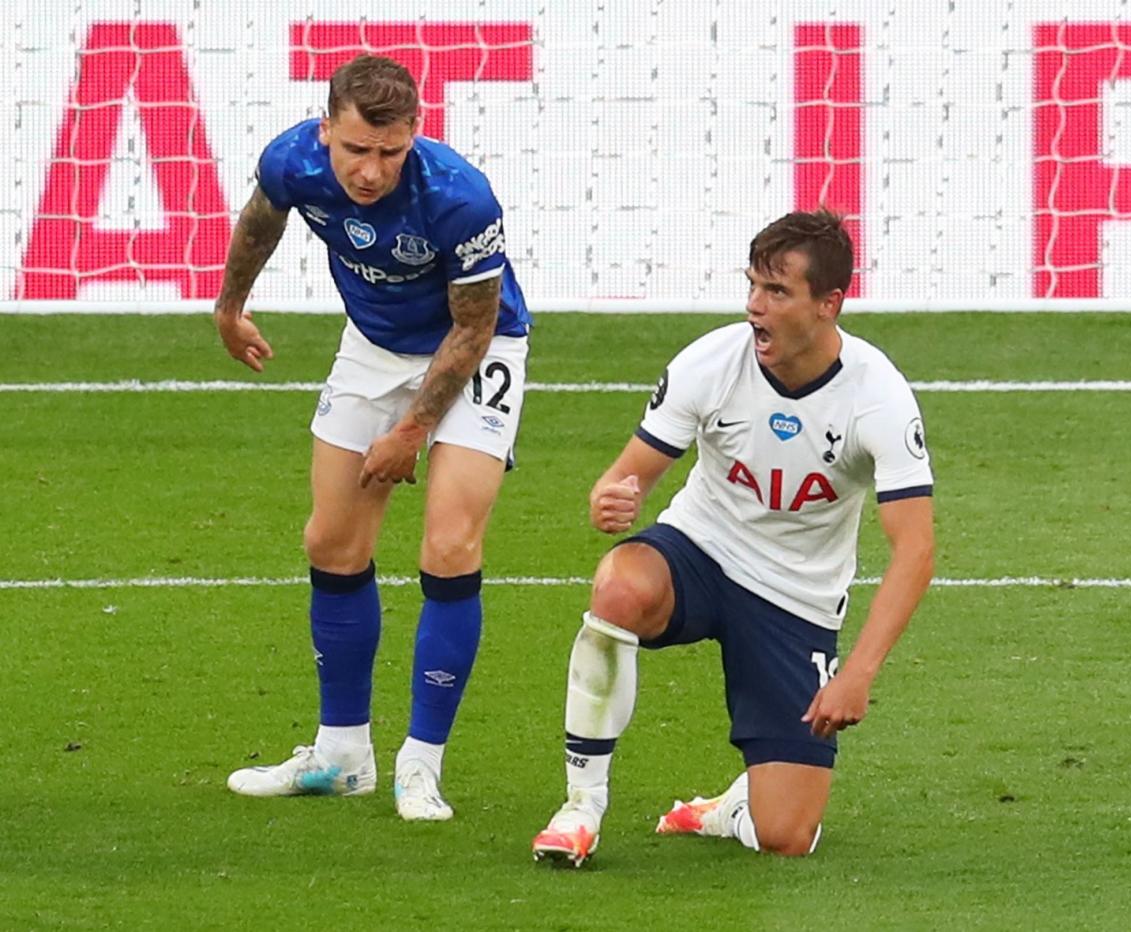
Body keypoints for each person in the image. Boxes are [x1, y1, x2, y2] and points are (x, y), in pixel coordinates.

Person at [531, 210, 935, 865]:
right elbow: (629, 476)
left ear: (829, 304)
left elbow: (916, 550)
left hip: (796, 597)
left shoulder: (878, 398)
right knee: (619, 586)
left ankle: (737, 806)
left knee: (786, 839)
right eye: (752, 287)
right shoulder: (710, 363)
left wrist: (857, 674)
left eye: (777, 293)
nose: (755, 307)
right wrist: (613, 495)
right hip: (702, 550)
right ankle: (581, 807)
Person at [215, 54, 531, 821]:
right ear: (327, 130)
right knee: (331, 542)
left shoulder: (459, 198)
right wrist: (230, 307)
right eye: (356, 150)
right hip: (373, 346)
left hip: (478, 350)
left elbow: (475, 326)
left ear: (415, 136)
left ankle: (420, 766)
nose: (369, 171)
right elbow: (263, 217)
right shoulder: (294, 159)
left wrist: (413, 430)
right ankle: (342, 755)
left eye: (390, 153)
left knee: (450, 545)